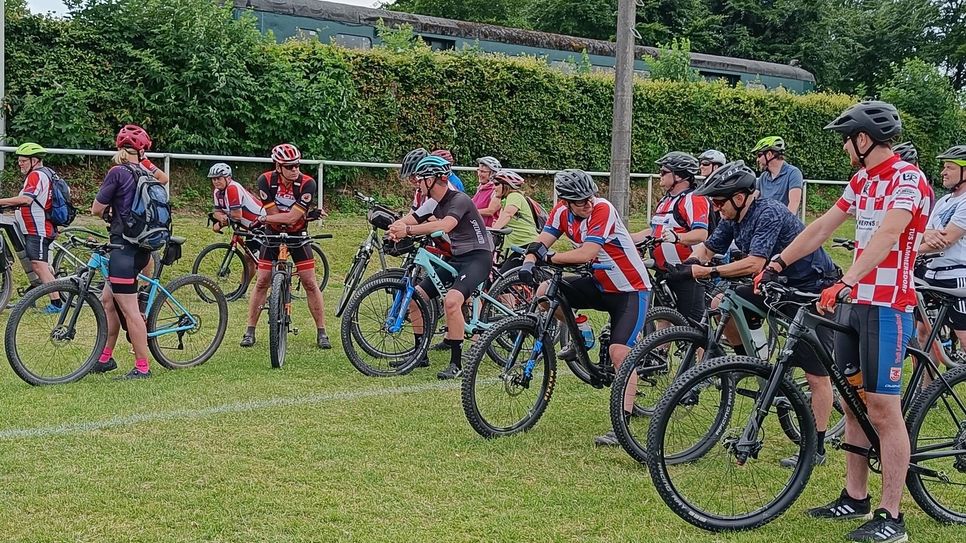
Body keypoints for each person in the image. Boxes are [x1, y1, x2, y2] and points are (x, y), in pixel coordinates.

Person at [765, 101, 930, 543]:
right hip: (853, 304)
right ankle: (854, 496)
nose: (843, 147)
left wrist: (848, 279)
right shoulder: (861, 180)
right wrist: (778, 261)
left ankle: (892, 518)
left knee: (882, 410)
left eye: (846, 138)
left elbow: (889, 235)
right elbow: (822, 226)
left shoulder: (909, 179)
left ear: (864, 139)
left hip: (887, 307)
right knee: (851, 400)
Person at [673, 160, 840, 469]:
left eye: (720, 202)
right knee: (721, 303)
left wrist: (708, 272)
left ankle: (816, 445)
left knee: (816, 374)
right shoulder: (732, 216)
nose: (716, 207)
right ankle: (750, 362)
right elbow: (707, 250)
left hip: (809, 288)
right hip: (774, 285)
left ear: (741, 197)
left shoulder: (768, 213)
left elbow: (753, 264)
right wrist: (684, 265)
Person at [518, 169, 650, 446]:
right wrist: (530, 261)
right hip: (600, 284)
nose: (587, 203)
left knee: (619, 352)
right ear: (565, 201)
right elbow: (541, 242)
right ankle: (581, 328)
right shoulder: (560, 212)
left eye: (589, 197)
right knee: (545, 293)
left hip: (630, 289)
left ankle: (622, 423)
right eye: (580, 201)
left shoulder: (602, 209)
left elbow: (587, 253)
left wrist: (550, 258)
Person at [387, 155, 494, 380]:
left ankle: (456, 363)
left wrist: (408, 231)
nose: (416, 182)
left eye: (420, 178)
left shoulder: (459, 199)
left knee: (452, 301)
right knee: (417, 297)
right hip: (456, 257)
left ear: (434, 179)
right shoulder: (433, 202)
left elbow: (446, 225)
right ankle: (419, 355)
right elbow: (411, 219)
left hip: (478, 257)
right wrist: (393, 227)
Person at [240, 144, 331, 350]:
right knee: (262, 280)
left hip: (298, 234)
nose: (295, 169)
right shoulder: (266, 180)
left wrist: (262, 218)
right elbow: (273, 217)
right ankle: (250, 330)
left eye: (297, 165)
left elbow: (291, 218)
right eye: (289, 166)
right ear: (278, 166)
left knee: (309, 281)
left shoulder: (308, 183)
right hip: (272, 233)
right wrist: (268, 218)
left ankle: (322, 331)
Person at [88, 125, 158, 379]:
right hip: (139, 249)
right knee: (109, 300)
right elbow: (163, 180)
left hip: (123, 249)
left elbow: (97, 208)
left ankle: (142, 367)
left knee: (129, 309)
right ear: (141, 151)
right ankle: (105, 357)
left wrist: (106, 211)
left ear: (119, 148)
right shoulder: (146, 173)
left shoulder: (117, 172)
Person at [631, 152, 709, 325]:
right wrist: (627, 238)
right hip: (665, 272)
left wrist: (677, 237)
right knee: (663, 322)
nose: (660, 175)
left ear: (679, 176)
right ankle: (660, 352)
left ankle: (706, 353)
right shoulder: (666, 200)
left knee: (694, 328)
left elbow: (701, 234)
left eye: (664, 172)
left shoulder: (693, 198)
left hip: (687, 273)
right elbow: (655, 232)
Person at [916, 145, 966, 357]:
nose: (943, 172)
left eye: (949, 167)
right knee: (924, 335)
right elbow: (926, 231)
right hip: (931, 275)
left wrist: (909, 251)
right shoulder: (944, 200)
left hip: (956, 276)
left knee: (964, 338)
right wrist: (927, 235)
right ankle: (929, 390)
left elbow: (946, 239)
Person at [0, 142, 61, 312]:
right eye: (19, 160)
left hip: (38, 229)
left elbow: (26, 200)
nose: (20, 163)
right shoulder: (46, 173)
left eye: (23, 161)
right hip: (39, 227)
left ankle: (56, 304)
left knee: (38, 265)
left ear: (34, 160)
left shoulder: (36, 176)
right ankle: (37, 292)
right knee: (41, 264)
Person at [208, 162, 265, 283]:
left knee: (265, 262)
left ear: (228, 178)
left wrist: (220, 223)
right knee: (249, 259)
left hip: (262, 223)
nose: (216, 182)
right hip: (250, 227)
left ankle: (278, 289)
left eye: (218, 178)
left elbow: (236, 216)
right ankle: (242, 290)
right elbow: (216, 212)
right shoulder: (217, 192)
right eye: (213, 179)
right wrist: (220, 218)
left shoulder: (233, 188)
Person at [490, 169, 537, 273]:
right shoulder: (505, 200)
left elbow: (508, 214)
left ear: (506, 185)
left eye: (497, 184)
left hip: (526, 243)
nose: (494, 187)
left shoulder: (514, 196)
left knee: (503, 276)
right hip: (515, 245)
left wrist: (492, 231)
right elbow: (501, 221)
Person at [752, 136, 804, 215]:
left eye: (759, 155)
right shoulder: (763, 177)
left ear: (769, 154)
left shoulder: (793, 173)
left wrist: (782, 225)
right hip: (765, 224)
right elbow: (752, 200)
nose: (757, 160)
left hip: (784, 224)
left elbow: (794, 204)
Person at [472, 156, 503, 227]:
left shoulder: (496, 190)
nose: (479, 174)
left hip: (488, 231)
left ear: (492, 174)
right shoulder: (481, 187)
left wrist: (469, 212)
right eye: (479, 170)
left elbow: (491, 211)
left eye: (483, 171)